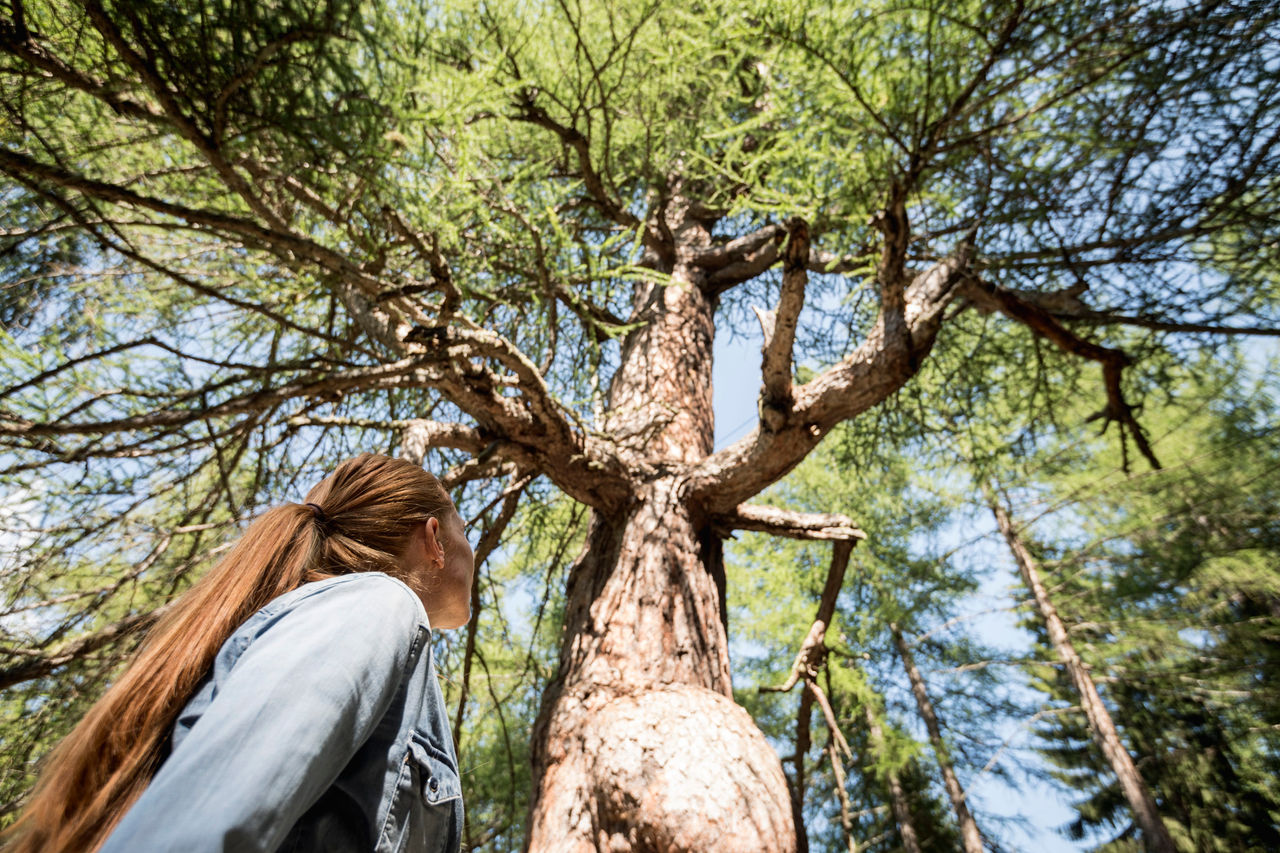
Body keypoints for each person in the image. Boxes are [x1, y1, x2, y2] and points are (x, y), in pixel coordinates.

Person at [5, 453, 473, 853]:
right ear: (433, 537)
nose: (470, 549)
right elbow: (211, 822)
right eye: (463, 529)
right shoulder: (376, 604)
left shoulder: (352, 617)